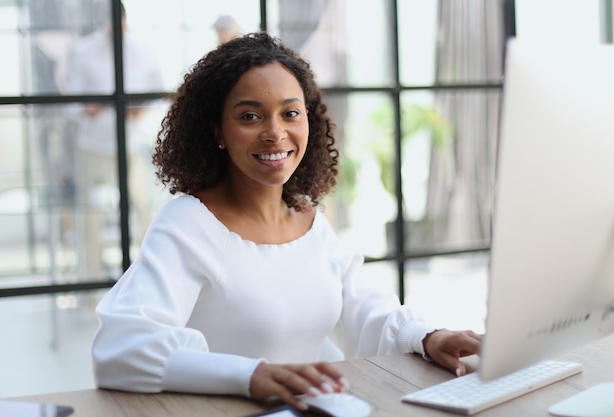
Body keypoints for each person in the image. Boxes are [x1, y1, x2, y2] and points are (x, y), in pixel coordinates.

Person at [91, 32, 481, 411]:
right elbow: (122, 348)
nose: (275, 133)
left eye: (290, 113)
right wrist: (249, 375)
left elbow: (367, 311)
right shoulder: (188, 224)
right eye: (250, 116)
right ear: (218, 132)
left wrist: (429, 337)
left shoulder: (310, 219)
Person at [62, 2, 164, 279]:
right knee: (91, 218)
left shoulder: (143, 49)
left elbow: (159, 90)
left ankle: (150, 279)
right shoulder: (83, 51)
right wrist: (86, 108)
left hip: (131, 144)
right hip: (94, 146)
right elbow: (68, 99)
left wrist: (142, 108)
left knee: (144, 211)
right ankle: (90, 287)